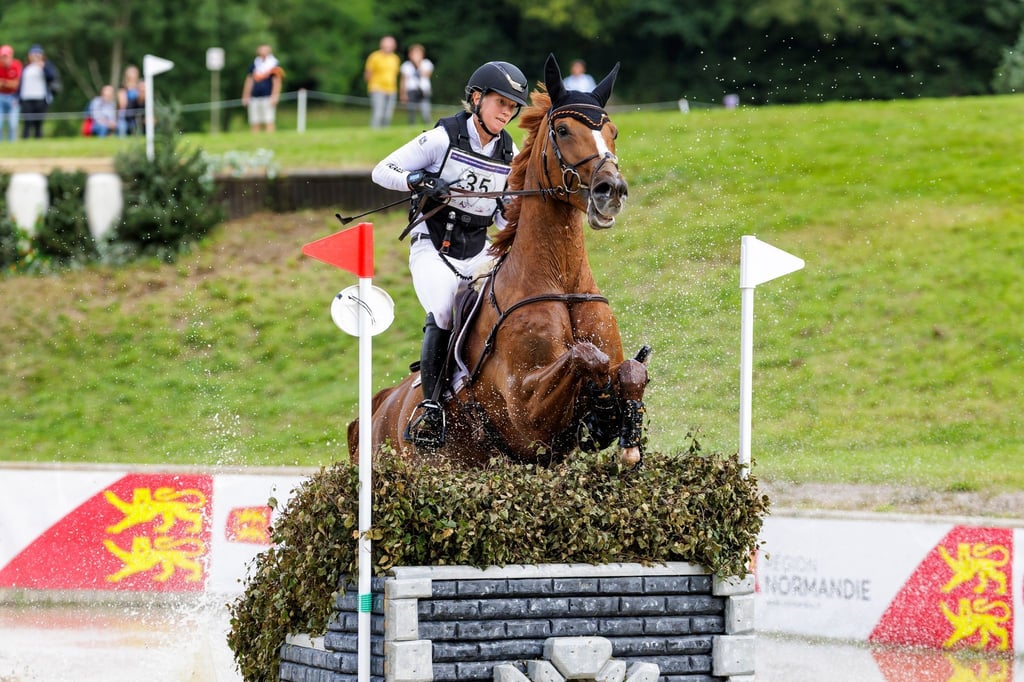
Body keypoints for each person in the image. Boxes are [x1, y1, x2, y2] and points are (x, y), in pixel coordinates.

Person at [371, 60, 529, 448]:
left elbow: (506, 207)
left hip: (479, 252)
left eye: (513, 106)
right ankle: (430, 405)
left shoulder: (512, 152)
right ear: (476, 98)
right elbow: (382, 170)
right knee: (444, 309)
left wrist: (510, 206)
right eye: (500, 102)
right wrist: (416, 179)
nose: (506, 112)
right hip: (433, 249)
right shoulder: (442, 138)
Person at [18, 45, 60, 139]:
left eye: (38, 54)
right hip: (26, 98)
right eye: (33, 54)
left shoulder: (46, 65)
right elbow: (20, 84)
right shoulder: (26, 67)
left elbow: (52, 77)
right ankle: (25, 141)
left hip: (40, 98)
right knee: (27, 122)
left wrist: (43, 67)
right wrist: (18, 97)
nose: (35, 56)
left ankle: (38, 140)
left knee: (39, 123)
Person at [241, 44, 284, 133]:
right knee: (254, 120)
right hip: (254, 96)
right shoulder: (255, 64)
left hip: (267, 96)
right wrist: (246, 95)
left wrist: (275, 96)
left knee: (268, 120)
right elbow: (249, 80)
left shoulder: (274, 64)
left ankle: (270, 139)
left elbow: (277, 81)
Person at [364, 36, 400, 128]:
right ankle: (374, 131)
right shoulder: (374, 56)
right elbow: (368, 73)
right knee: (378, 113)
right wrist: (372, 86)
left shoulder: (395, 58)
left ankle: (385, 132)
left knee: (388, 114)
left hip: (391, 89)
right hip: (377, 88)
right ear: (381, 45)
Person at [399, 44, 434, 125]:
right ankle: (412, 125)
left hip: (424, 90)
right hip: (411, 90)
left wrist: (417, 63)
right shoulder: (406, 65)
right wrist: (403, 94)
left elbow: (426, 74)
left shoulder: (426, 63)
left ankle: (427, 125)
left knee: (425, 110)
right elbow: (403, 80)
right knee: (411, 111)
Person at [0, 45, 23, 143]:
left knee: (12, 123)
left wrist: (3, 82)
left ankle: (12, 144)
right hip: (1, 96)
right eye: (2, 57)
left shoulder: (16, 65)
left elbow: (15, 85)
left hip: (13, 97)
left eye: (6, 56)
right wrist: (9, 83)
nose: (4, 59)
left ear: (11, 56)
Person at [117, 64, 145, 136]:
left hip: (139, 115)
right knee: (122, 126)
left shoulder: (141, 87)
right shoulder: (123, 89)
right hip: (126, 117)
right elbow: (122, 105)